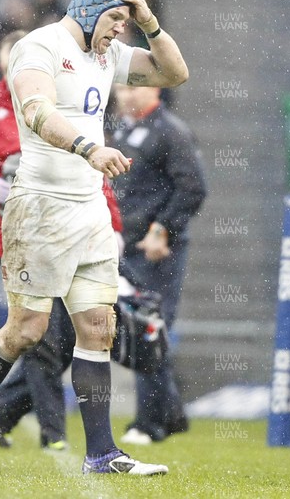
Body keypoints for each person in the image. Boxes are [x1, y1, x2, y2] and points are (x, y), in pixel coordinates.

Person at [0, 0, 188, 475]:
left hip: (90, 207)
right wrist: (88, 147)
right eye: (115, 18)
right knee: (26, 331)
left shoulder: (109, 54)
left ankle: (101, 452)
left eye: (125, 20)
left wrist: (149, 20)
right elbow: (35, 111)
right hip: (39, 207)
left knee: (97, 327)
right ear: (88, 10)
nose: (120, 29)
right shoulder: (40, 47)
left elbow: (174, 74)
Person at [110, 83, 207, 444]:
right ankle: (172, 413)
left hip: (157, 251)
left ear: (154, 88)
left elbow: (193, 187)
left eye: (133, 87)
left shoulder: (171, 131)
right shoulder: (122, 129)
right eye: (121, 88)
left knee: (148, 331)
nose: (125, 95)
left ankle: (149, 424)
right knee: (139, 330)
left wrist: (163, 228)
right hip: (126, 246)